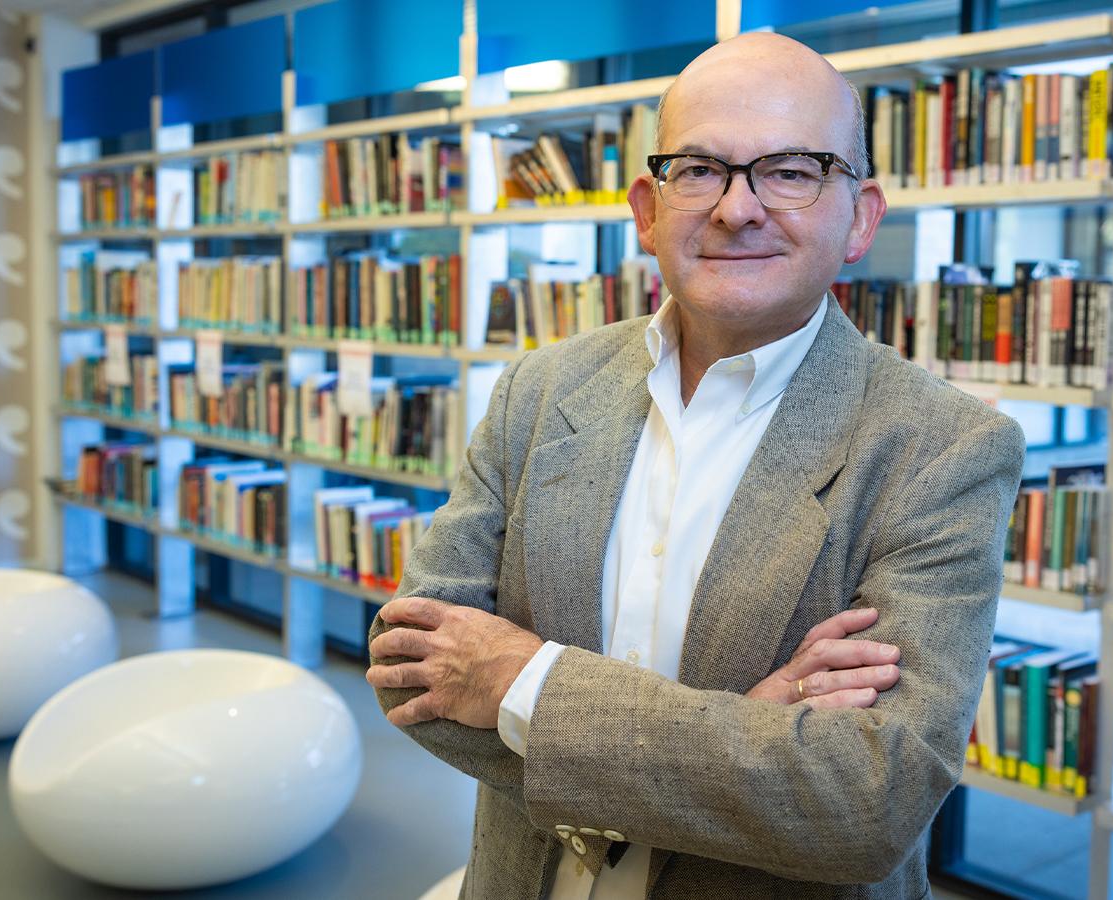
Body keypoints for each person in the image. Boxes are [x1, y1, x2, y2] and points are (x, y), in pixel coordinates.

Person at [367, 30, 1026, 900]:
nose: (737, 208)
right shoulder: (540, 388)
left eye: (791, 170)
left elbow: (867, 800)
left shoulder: (942, 447)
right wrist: (746, 737)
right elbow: (411, 668)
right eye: (700, 170)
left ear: (860, 216)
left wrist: (519, 682)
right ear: (647, 207)